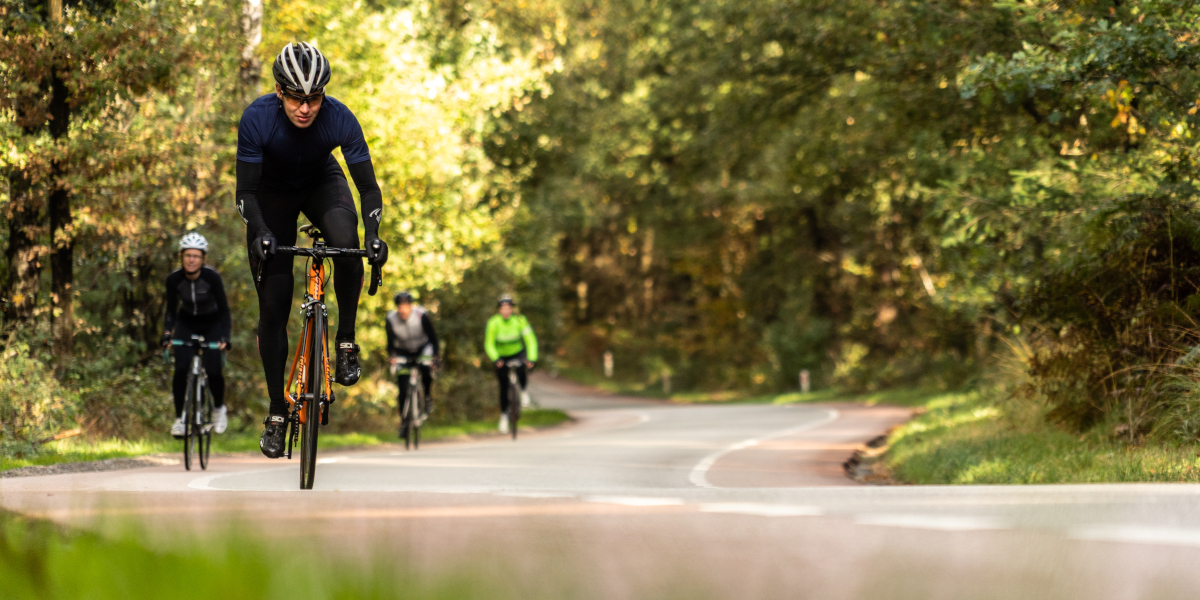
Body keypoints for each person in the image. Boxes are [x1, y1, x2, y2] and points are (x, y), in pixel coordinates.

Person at [236, 41, 390, 458]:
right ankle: (276, 411)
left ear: (324, 95)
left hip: (322, 183)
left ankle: (345, 342)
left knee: (348, 243)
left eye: (314, 99)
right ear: (279, 91)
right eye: (295, 98)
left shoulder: (339, 117)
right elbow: (245, 193)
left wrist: (374, 234)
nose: (305, 108)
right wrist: (261, 230)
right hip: (271, 195)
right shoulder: (257, 118)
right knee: (273, 306)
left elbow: (368, 187)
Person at [162, 232, 231, 436]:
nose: (191, 260)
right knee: (181, 369)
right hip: (186, 324)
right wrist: (167, 333)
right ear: (181, 257)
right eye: (188, 255)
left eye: (196, 256)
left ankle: (218, 408)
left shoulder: (212, 277)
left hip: (212, 324)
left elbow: (224, 311)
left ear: (203, 259)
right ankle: (180, 420)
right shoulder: (174, 279)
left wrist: (225, 338)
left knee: (214, 370)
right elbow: (170, 310)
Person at [484, 295, 539, 433]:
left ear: (512, 309)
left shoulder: (520, 321)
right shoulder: (493, 323)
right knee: (503, 386)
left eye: (508, 308)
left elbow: (530, 340)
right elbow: (489, 344)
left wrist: (532, 358)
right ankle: (503, 416)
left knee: (522, 367)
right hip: (501, 355)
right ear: (499, 310)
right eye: (503, 309)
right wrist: (495, 358)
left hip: (517, 352)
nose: (506, 311)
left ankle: (524, 391)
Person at [386, 291, 439, 430]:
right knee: (403, 385)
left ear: (411, 306)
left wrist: (435, 357)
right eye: (400, 307)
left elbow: (433, 338)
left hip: (423, 347)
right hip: (403, 350)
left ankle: (427, 396)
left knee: (426, 368)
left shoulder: (421, 315)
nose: (403, 310)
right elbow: (390, 342)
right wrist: (392, 356)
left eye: (406, 306)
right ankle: (404, 421)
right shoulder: (391, 319)